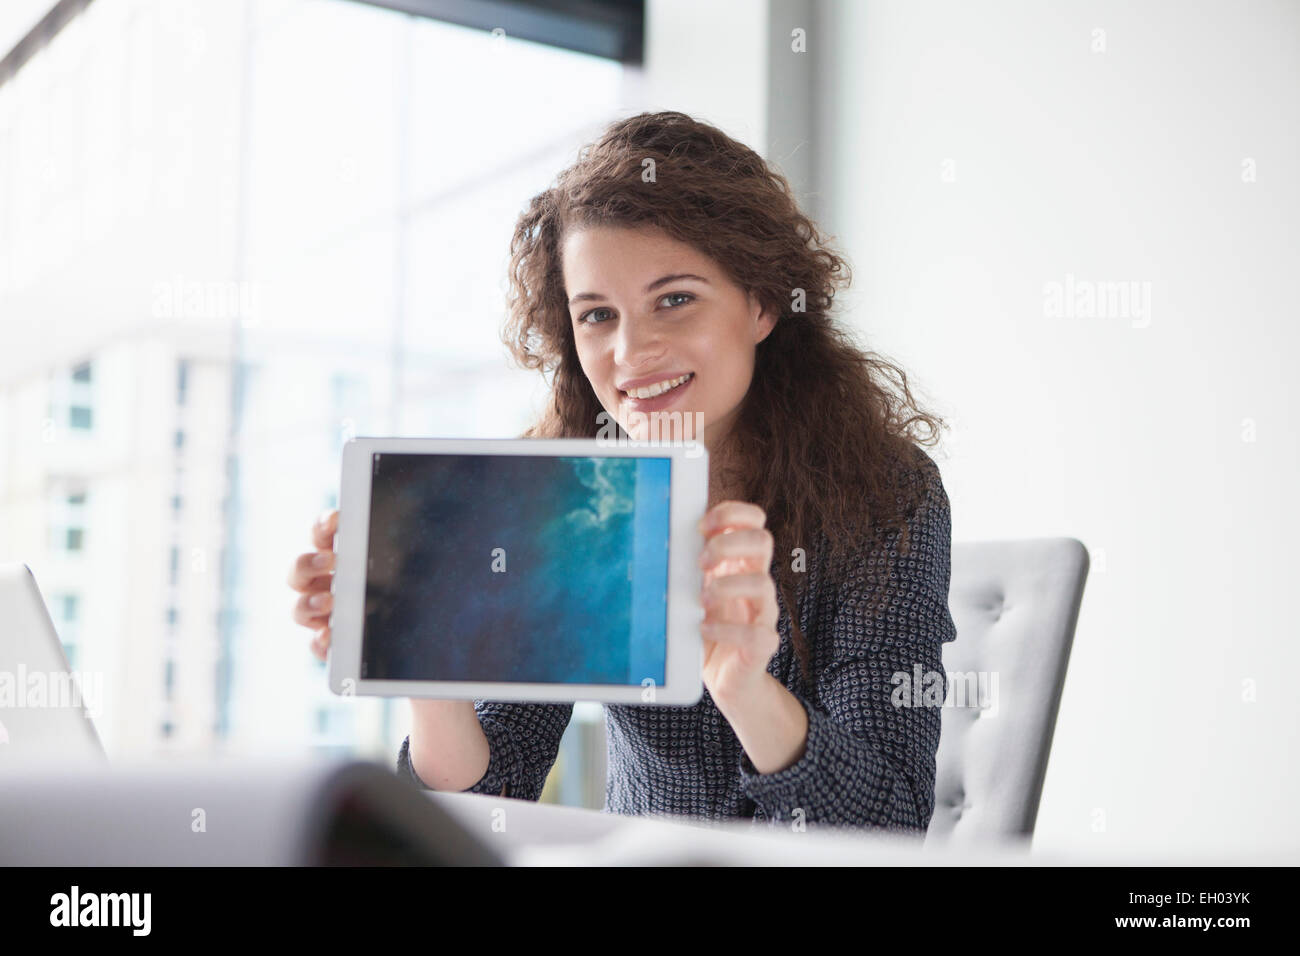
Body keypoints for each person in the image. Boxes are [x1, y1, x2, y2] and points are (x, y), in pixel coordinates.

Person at [287, 110, 957, 832]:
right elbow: (489, 800)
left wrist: (742, 687)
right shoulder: (569, 495)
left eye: (675, 299)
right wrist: (426, 655)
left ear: (762, 302)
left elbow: (888, 825)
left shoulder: (887, 493)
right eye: (598, 316)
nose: (631, 353)